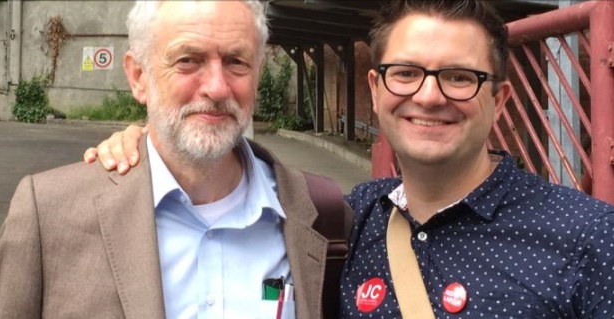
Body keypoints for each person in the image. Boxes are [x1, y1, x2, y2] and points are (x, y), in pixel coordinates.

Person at [83, 0, 614, 318]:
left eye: (459, 77)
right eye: (406, 73)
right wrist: (147, 140)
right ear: (377, 90)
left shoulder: (589, 236)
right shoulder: (339, 220)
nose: (429, 96)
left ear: (498, 100)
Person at [0, 1, 351, 318]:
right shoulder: (49, 214)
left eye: (236, 62)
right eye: (187, 60)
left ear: (257, 75)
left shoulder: (321, 215)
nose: (216, 87)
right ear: (139, 77)